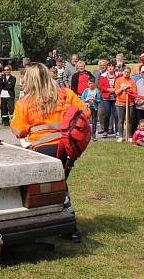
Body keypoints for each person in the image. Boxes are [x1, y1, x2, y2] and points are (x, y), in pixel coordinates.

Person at [10, 63, 88, 243]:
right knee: (60, 185)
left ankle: (65, 226)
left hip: (43, 151)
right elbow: (85, 111)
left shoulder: (24, 103)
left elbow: (19, 131)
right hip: (68, 148)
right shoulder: (64, 94)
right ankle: (67, 226)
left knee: (47, 189)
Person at [114, 66, 137, 142]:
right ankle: (120, 136)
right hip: (120, 102)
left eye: (128, 72)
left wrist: (129, 90)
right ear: (122, 72)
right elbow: (116, 92)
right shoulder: (118, 80)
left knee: (129, 120)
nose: (126, 73)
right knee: (120, 120)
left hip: (130, 103)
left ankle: (129, 136)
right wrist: (122, 89)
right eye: (125, 72)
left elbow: (135, 92)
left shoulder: (132, 81)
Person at [98, 62, 118, 138]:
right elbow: (101, 86)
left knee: (116, 115)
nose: (110, 68)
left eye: (112, 66)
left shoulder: (118, 75)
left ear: (114, 68)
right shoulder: (103, 76)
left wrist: (115, 89)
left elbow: (119, 84)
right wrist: (108, 89)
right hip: (106, 98)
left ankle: (117, 131)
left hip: (115, 98)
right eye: (109, 66)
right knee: (107, 114)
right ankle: (105, 131)